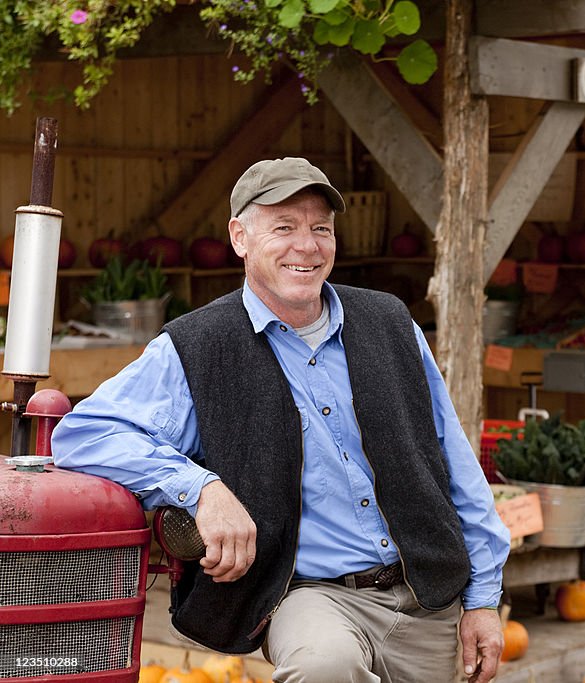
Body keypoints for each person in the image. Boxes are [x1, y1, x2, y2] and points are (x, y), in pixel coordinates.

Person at [51, 157, 511, 683]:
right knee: (325, 667)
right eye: (285, 227)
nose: (307, 246)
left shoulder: (390, 322)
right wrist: (201, 489)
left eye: (320, 228)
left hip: (428, 594)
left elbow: (454, 463)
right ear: (240, 237)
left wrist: (482, 599)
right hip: (311, 596)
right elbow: (85, 432)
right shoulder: (197, 347)